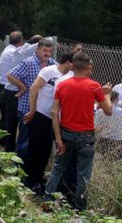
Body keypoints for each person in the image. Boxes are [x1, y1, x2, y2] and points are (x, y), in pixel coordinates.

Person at [43, 52, 112, 210]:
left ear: (72, 66)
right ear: (88, 67)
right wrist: (106, 94)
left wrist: (58, 138)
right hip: (86, 136)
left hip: (66, 133)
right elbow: (108, 111)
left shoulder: (62, 85)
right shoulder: (94, 86)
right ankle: (79, 207)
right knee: (83, 174)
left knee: (58, 168)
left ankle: (47, 200)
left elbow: (54, 113)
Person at [21, 53, 75, 194]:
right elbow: (34, 88)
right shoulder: (49, 71)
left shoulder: (69, 76)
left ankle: (40, 178)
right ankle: (31, 180)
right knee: (37, 149)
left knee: (48, 151)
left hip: (56, 117)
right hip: (42, 115)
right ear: (69, 63)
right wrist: (32, 110)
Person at [7, 38, 56, 161]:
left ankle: (31, 169)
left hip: (43, 111)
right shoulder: (28, 63)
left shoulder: (52, 64)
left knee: (38, 142)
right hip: (26, 108)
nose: (47, 53)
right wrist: (23, 87)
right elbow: (10, 75)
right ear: (37, 49)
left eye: (49, 51)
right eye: (44, 50)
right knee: (25, 140)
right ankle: (18, 168)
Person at [0, 32, 41, 152]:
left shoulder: (16, 50)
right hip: (13, 91)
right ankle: (11, 150)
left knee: (10, 121)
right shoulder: (24, 51)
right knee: (14, 121)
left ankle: (9, 149)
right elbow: (10, 75)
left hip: (8, 89)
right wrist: (23, 87)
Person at [95, 91, 122, 156]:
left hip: (103, 141)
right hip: (118, 141)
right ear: (116, 99)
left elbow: (96, 128)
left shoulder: (99, 112)